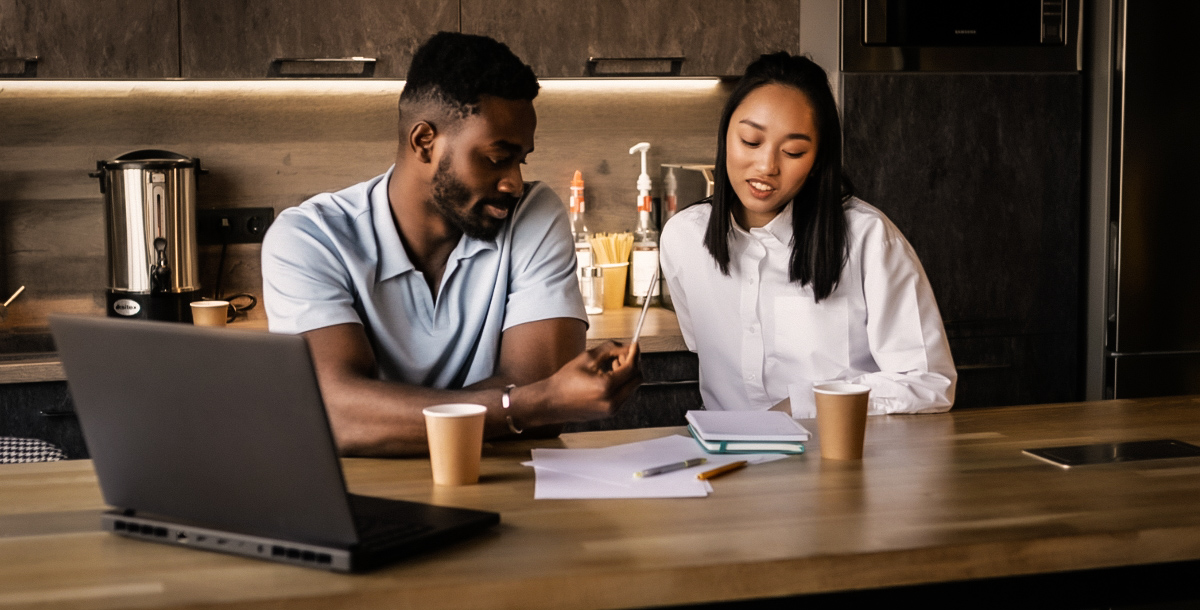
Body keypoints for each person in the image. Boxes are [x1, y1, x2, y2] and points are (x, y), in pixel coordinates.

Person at [262, 32, 640, 456]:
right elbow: (336, 415)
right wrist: (528, 405)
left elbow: (542, 402)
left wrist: (385, 415)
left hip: (508, 487)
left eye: (522, 160)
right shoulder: (311, 238)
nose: (514, 182)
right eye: (498, 158)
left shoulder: (532, 213)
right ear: (424, 142)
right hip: (366, 496)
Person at [659, 52, 956, 418]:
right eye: (751, 141)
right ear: (725, 138)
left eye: (793, 151)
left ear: (817, 160)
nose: (767, 166)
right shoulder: (683, 238)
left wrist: (805, 403)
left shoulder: (868, 238)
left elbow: (929, 382)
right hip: (725, 459)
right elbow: (698, 345)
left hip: (834, 458)